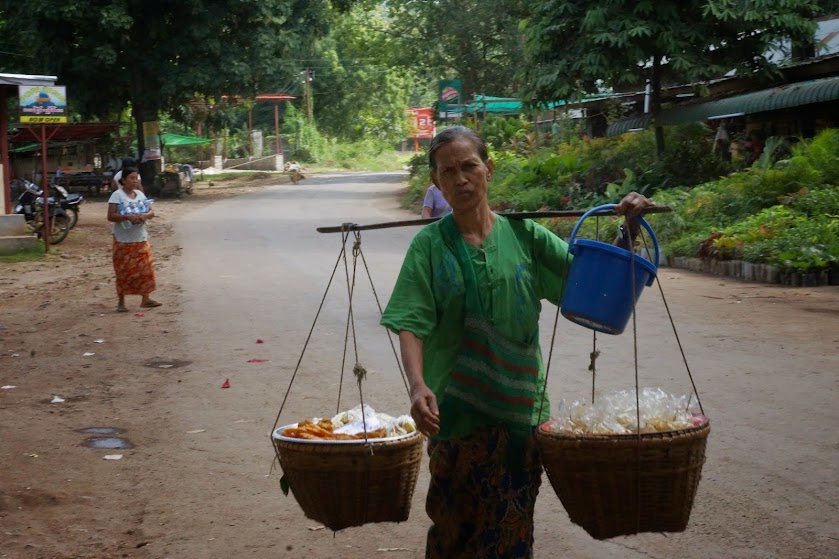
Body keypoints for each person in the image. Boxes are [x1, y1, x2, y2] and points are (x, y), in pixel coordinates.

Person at [380, 126, 653, 558]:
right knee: (452, 535)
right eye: (448, 172)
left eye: (469, 166)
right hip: (453, 421)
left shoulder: (527, 238)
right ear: (436, 182)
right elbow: (412, 321)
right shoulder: (428, 247)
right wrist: (416, 384)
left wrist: (628, 229)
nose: (461, 179)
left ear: (488, 169)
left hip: (518, 423)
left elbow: (590, 286)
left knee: (509, 537)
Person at [106, 167, 160, 312]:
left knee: (145, 269)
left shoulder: (140, 195)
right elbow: (110, 216)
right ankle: (121, 302)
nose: (134, 181)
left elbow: (151, 211)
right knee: (124, 271)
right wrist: (126, 217)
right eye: (131, 178)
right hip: (123, 241)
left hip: (141, 238)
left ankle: (146, 299)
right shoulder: (117, 195)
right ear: (123, 181)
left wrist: (145, 216)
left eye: (136, 178)